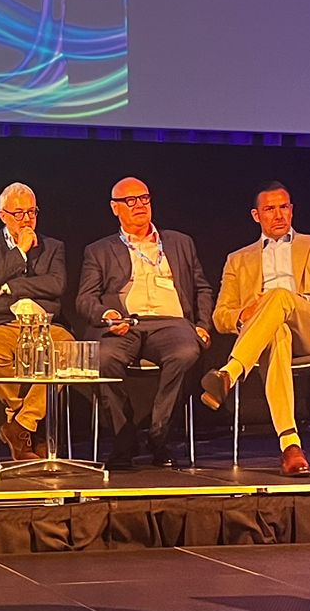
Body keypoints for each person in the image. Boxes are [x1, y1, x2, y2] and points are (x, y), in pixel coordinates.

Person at [200, 183, 310, 477]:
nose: (279, 215)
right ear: (256, 215)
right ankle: (290, 445)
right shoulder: (238, 259)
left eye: (284, 207)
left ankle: (230, 373)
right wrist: (245, 314)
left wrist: (295, 299)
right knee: (278, 332)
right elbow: (220, 316)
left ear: (292, 210)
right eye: (270, 209)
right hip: (267, 336)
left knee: (279, 295)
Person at [75, 177, 213, 468]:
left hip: (171, 323)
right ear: (115, 208)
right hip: (125, 325)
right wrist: (107, 316)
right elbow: (85, 298)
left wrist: (202, 324)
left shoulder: (180, 242)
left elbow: (202, 288)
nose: (139, 205)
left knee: (186, 353)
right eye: (130, 201)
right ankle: (124, 438)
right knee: (103, 358)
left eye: (144, 198)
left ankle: (159, 435)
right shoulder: (99, 250)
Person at [0, 182, 70, 463]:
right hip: (0, 323)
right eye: (19, 214)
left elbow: (56, 286)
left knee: (68, 352)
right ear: (3, 215)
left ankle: (20, 427)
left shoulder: (53, 247)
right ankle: (28, 423)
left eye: (32, 212)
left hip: (44, 323)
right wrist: (20, 251)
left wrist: (8, 287)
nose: (27, 220)